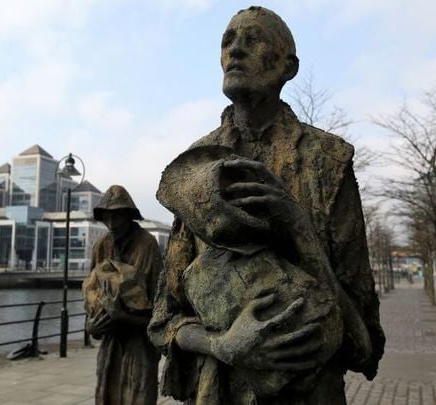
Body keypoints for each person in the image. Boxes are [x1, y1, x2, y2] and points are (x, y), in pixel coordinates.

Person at [148, 6, 385, 404]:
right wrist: (221, 345)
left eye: (253, 39)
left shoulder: (328, 160)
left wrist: (296, 226)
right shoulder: (195, 167)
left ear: (288, 67)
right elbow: (163, 321)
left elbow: (364, 341)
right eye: (227, 42)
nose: (235, 51)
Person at [83, 185, 163, 405]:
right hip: (110, 343)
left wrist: (125, 317)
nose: (112, 224)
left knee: (138, 396)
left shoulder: (147, 245)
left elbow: (160, 312)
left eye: (117, 217)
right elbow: (91, 294)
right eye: (107, 218)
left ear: (129, 215)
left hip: (139, 344)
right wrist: (91, 326)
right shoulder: (101, 247)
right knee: (106, 395)